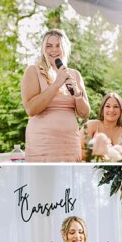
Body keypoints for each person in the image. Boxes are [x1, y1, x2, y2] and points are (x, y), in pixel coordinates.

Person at [21, 29, 90, 162]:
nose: (54, 50)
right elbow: (31, 109)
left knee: (68, 182)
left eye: (58, 45)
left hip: (69, 144)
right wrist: (57, 83)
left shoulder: (74, 74)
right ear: (43, 49)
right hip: (42, 144)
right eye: (49, 45)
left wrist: (77, 94)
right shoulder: (33, 71)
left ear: (65, 48)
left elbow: (84, 114)